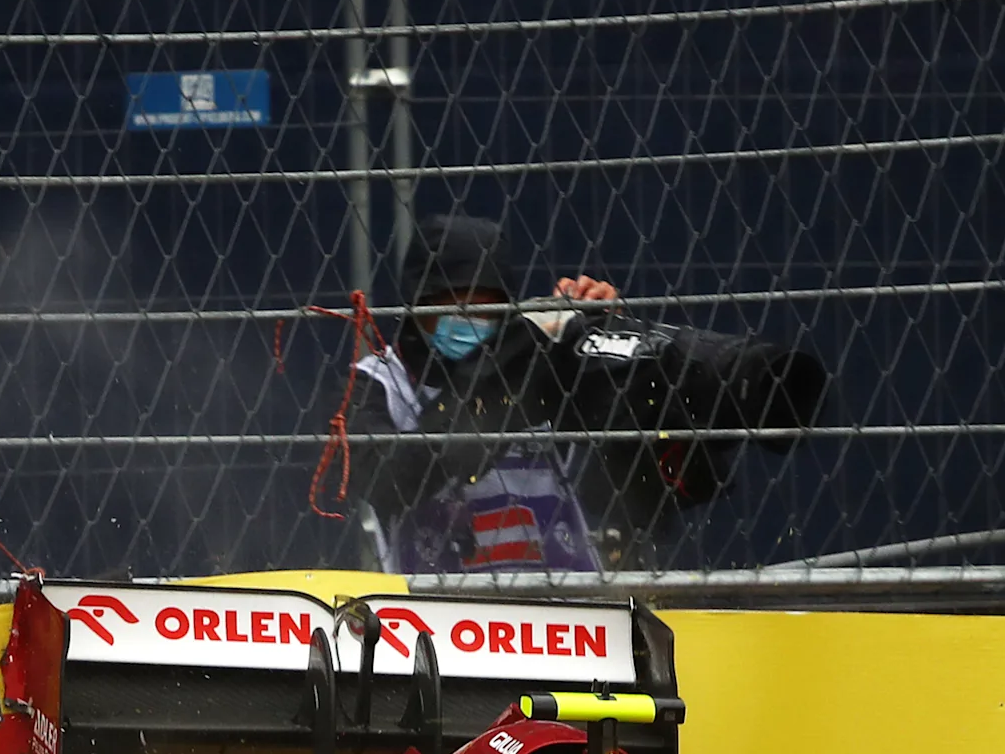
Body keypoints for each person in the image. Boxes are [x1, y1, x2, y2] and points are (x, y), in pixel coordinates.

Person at [347, 213, 828, 575]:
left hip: (571, 620)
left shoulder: (549, 360)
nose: (466, 322)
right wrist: (511, 363)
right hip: (445, 626)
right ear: (414, 305)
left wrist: (610, 346)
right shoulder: (378, 382)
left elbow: (668, 492)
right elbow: (390, 483)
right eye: (449, 305)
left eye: (485, 307)